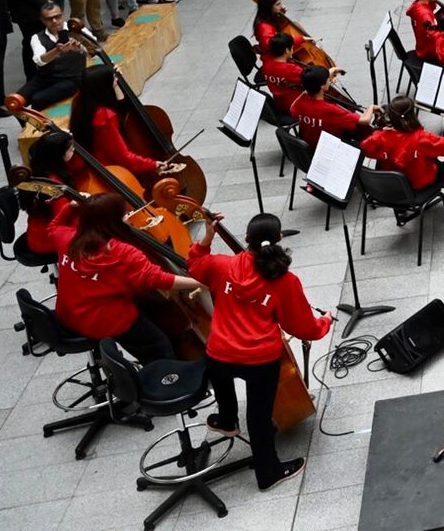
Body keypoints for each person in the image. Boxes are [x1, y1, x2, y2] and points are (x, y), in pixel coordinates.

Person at [188, 212, 331, 491]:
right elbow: (303, 328)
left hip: (219, 352)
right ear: (279, 238)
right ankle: (268, 472)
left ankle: (226, 420)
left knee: (221, 380)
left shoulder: (222, 266)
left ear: (246, 239)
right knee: (259, 417)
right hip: (260, 359)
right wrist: (325, 321)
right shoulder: (285, 280)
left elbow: (193, 263)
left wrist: (207, 235)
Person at [52, 192, 203, 364]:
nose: (126, 217)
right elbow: (156, 278)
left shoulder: (67, 238)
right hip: (103, 321)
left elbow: (54, 227)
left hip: (68, 314)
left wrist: (70, 207)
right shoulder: (122, 252)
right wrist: (201, 282)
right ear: (114, 221)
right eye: (123, 214)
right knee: (158, 346)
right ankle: (165, 375)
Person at [360, 95, 444, 220]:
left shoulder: (381, 137)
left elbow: (364, 147)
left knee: (394, 163)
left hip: (392, 189)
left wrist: (379, 132)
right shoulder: (420, 137)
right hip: (416, 185)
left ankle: (400, 210)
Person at [15, 1, 88, 110]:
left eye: (57, 17)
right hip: (45, 77)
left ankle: (42, 121)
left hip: (72, 77)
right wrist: (56, 51)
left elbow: (93, 49)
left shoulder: (77, 29)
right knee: (14, 101)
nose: (54, 21)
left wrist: (80, 48)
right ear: (42, 20)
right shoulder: (37, 37)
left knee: (38, 99)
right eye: (49, 19)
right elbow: (39, 60)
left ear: (62, 15)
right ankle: (28, 120)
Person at [289, 64, 376, 148]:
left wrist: (309, 87)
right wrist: (371, 108)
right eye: (328, 80)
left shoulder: (300, 102)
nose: (330, 81)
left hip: (307, 146)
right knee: (363, 145)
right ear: (322, 86)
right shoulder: (329, 109)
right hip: (326, 148)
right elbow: (365, 120)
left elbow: (292, 108)